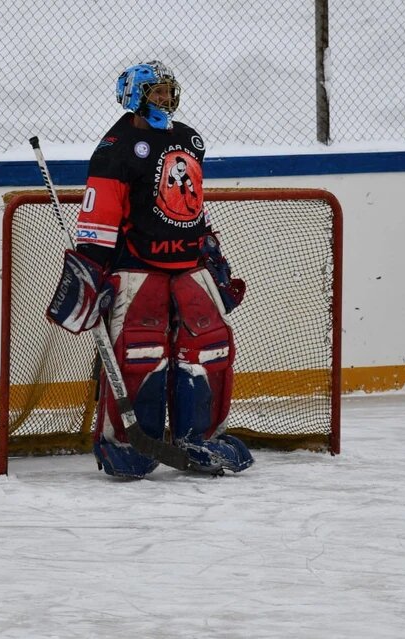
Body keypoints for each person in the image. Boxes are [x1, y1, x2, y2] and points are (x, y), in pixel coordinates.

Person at [46, 60, 253, 478]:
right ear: (134, 96)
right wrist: (91, 268)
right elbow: (99, 216)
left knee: (207, 348)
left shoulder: (187, 139)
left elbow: (191, 202)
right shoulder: (115, 147)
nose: (164, 98)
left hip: (189, 265)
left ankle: (199, 438)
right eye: (156, 91)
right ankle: (127, 443)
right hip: (137, 267)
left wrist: (209, 250)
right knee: (141, 355)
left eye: (167, 91)